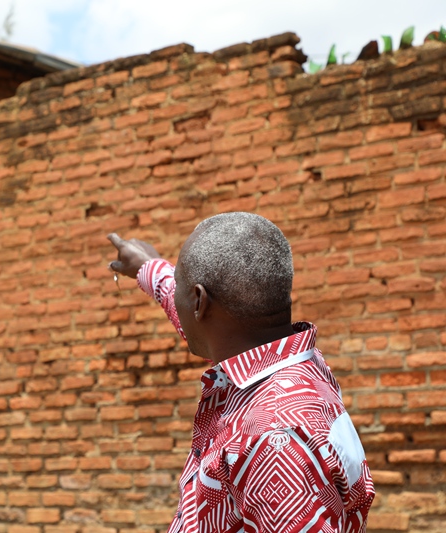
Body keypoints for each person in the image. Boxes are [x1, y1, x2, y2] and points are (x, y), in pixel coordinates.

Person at [107, 212, 374, 533]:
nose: (174, 295)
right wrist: (147, 267)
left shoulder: (273, 439)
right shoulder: (293, 364)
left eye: (180, 285)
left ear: (199, 302)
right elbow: (199, 319)